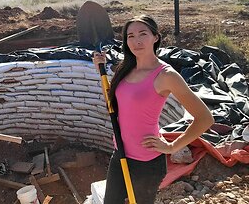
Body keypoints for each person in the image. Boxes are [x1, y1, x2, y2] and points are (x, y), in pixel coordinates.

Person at [92, 15, 214, 204]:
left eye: (143, 34)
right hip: (120, 153)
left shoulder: (166, 75)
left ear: (155, 37)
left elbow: (205, 118)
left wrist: (173, 146)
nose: (136, 41)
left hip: (146, 162)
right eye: (130, 36)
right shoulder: (125, 69)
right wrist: (99, 69)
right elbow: (113, 104)